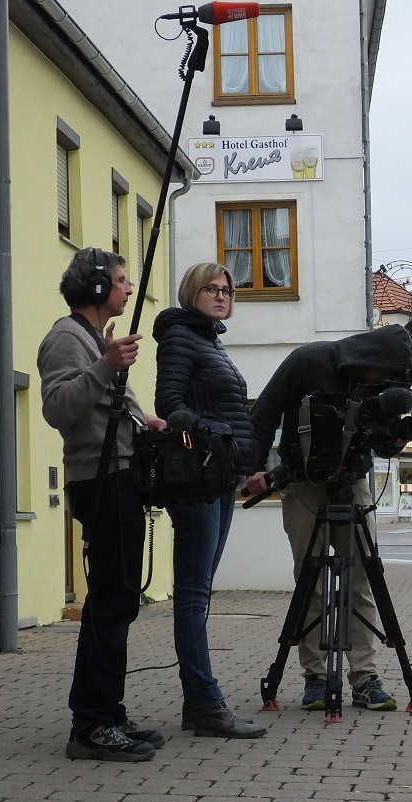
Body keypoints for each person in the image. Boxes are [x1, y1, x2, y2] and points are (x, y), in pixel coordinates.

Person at [246, 325, 412, 712]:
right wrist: (253, 466)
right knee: (311, 583)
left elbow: (375, 434)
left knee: (360, 579)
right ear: (368, 360)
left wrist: (391, 440)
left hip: (352, 480)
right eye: (381, 374)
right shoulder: (309, 361)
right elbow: (265, 412)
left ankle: (365, 677)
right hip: (304, 481)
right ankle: (316, 678)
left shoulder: (383, 381)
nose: (383, 382)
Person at [38, 247, 166, 762]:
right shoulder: (66, 338)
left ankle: (107, 713)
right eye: (120, 280)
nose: (129, 288)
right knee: (111, 604)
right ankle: (91, 724)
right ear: (95, 288)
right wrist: (103, 366)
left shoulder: (92, 340)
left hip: (119, 477)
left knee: (117, 601)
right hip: (101, 480)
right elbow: (56, 408)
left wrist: (146, 420)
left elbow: (111, 404)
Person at [152, 262, 266, 739]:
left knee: (199, 595)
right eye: (211, 289)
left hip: (220, 478)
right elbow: (168, 403)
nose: (221, 296)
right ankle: (204, 702)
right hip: (197, 479)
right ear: (191, 293)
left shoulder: (210, 340)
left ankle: (196, 703)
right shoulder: (181, 337)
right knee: (193, 594)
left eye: (227, 291)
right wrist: (210, 433)